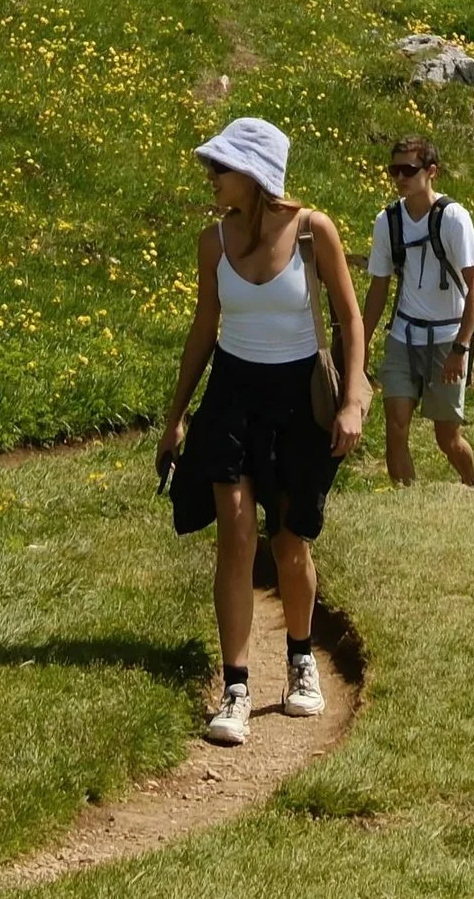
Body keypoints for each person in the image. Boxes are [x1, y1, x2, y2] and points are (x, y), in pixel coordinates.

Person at [156, 115, 370, 746]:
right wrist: (175, 417)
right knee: (237, 532)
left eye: (221, 169)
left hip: (298, 396)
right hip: (232, 393)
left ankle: (301, 660)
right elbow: (204, 329)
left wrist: (353, 398)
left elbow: (351, 318)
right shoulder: (212, 242)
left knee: (290, 540)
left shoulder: (311, 231)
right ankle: (237, 685)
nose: (212, 179)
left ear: (253, 175)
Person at [360, 135, 474, 488]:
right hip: (403, 335)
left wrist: (461, 348)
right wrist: (363, 341)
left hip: (447, 339)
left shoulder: (454, 219)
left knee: (447, 438)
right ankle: (407, 500)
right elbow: (378, 287)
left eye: (408, 170)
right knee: (395, 424)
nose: (399, 177)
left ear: (432, 172)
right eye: (394, 169)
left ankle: (472, 484)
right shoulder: (387, 221)